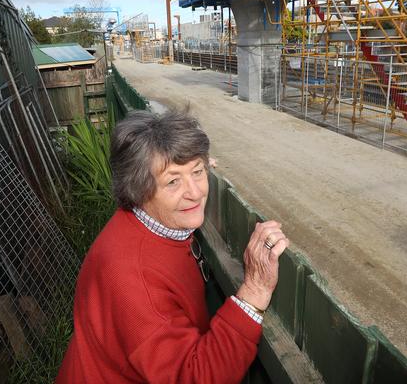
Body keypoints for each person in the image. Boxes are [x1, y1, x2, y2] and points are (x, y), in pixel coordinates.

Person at [56, 110, 289, 383]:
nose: (195, 192)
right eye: (172, 181)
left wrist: (184, 170)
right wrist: (255, 290)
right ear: (139, 189)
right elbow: (195, 378)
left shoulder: (145, 221)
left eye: (199, 172)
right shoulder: (132, 278)